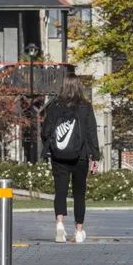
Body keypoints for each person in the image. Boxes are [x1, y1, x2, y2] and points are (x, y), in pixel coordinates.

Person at [41, 74, 100, 243]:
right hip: (80, 156)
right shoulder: (85, 107)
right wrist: (94, 157)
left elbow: (45, 132)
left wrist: (51, 146)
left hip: (58, 156)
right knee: (79, 193)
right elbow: (91, 133)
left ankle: (60, 225)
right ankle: (79, 231)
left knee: (60, 191)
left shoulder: (54, 106)